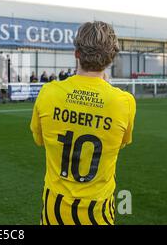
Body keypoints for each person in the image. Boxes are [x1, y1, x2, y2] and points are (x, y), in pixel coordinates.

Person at [30, 21, 136, 225]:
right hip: (98, 214)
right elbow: (121, 143)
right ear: (111, 58)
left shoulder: (49, 93)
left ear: (76, 53)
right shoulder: (123, 102)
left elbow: (40, 140)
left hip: (55, 212)